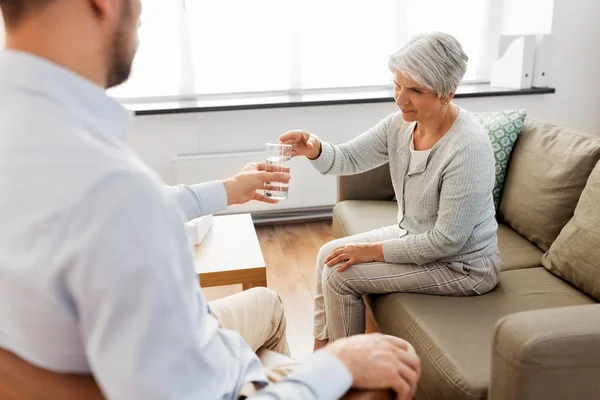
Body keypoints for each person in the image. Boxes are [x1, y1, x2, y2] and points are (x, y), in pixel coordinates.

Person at [0, 0, 421, 399]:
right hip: (208, 379)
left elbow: (142, 206)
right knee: (379, 367)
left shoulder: (35, 137)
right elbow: (127, 207)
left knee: (269, 304)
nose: (143, 14)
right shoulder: (114, 192)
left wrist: (228, 189)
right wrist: (336, 364)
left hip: (141, 355)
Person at [281, 32, 501, 350]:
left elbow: (446, 241)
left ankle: (349, 375)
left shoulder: (468, 147)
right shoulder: (399, 125)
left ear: (447, 93)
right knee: (328, 255)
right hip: (413, 237)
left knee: (341, 275)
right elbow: (348, 157)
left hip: (463, 265)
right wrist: (314, 148)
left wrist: (371, 251)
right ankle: (322, 353)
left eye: (415, 90)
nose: (400, 99)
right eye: (397, 85)